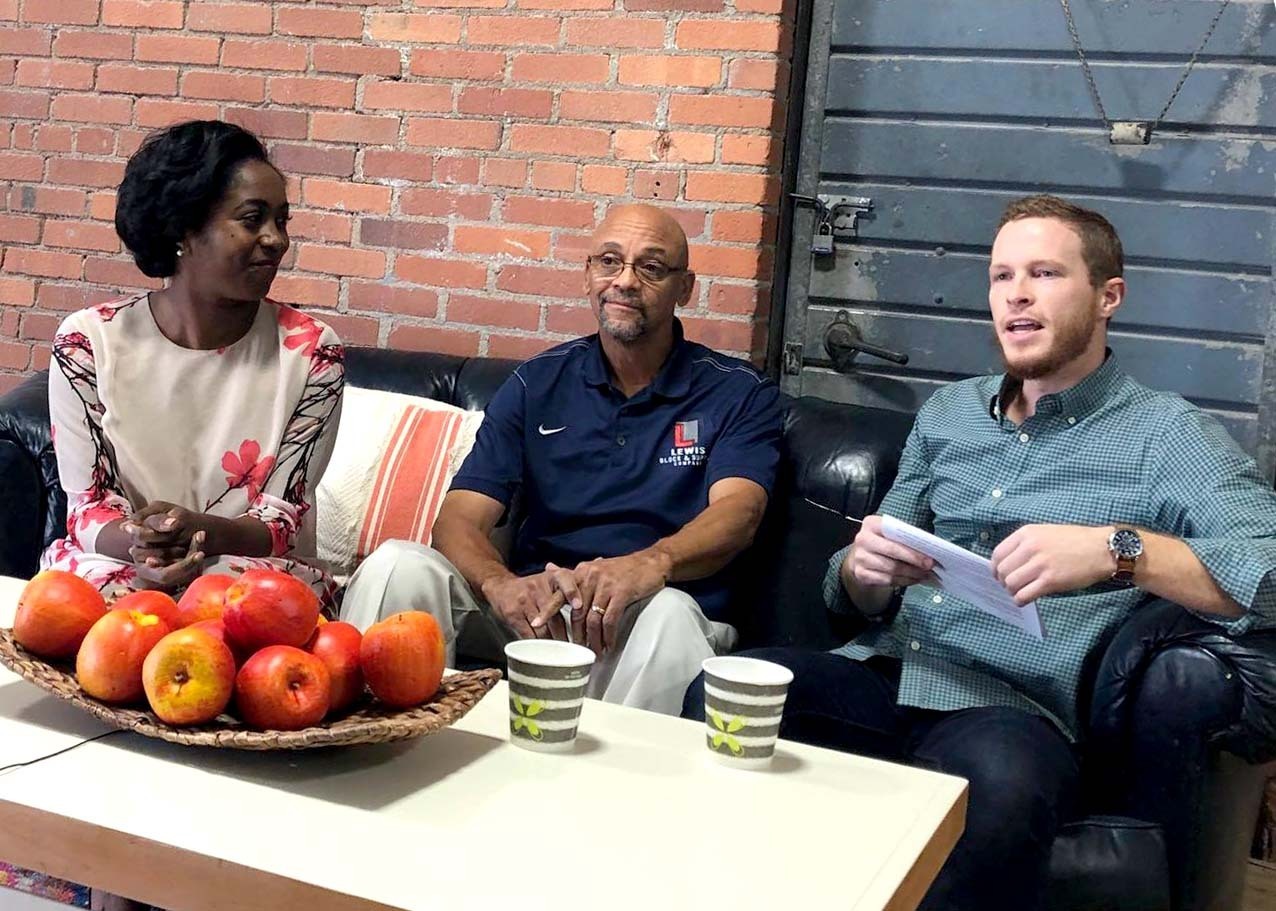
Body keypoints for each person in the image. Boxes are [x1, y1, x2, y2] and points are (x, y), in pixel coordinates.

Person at [682, 195, 1276, 910]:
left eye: (1045, 273)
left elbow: (1267, 568)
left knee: (1001, 784)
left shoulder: (1166, 436)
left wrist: (1120, 550)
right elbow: (854, 590)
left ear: (1107, 296)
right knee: (724, 690)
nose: (1016, 294)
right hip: (885, 672)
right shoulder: (950, 414)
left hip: (1013, 708)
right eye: (1001, 277)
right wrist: (865, 570)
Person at [342, 203, 782, 715]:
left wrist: (649, 565)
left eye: (651, 267)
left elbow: (738, 515)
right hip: (538, 614)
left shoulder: (737, 393)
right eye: (609, 262)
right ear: (588, 274)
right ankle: (358, 751)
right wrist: (500, 583)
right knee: (398, 564)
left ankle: (620, 794)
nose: (625, 281)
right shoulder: (537, 384)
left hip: (651, 614)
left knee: (670, 615)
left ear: (685, 288)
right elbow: (459, 517)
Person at [44, 119, 345, 618]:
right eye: (253, 219)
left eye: (282, 220)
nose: (276, 240)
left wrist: (196, 534)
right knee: (75, 596)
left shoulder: (313, 352)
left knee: (233, 598)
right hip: (124, 562)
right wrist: (145, 546)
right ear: (184, 229)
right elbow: (89, 508)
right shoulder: (88, 342)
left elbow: (279, 522)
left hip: (249, 569)